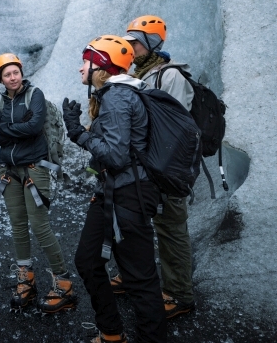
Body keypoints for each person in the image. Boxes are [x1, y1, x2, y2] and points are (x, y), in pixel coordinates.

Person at [63, 36, 166, 343]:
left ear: (102, 65)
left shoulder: (118, 97)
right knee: (88, 260)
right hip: (113, 191)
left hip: (130, 194)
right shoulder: (114, 94)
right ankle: (111, 332)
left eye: (86, 61)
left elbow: (117, 156)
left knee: (139, 278)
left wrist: (78, 133)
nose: (81, 67)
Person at [115, 15, 195, 319]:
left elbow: (170, 128)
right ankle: (136, 276)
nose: (129, 47)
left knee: (171, 230)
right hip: (145, 169)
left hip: (166, 171)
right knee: (139, 226)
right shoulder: (143, 75)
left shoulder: (169, 77)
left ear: (151, 44)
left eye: (135, 42)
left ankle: (179, 294)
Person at [0, 54, 76, 314]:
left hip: (35, 169)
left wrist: (7, 128)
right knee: (17, 225)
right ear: (0, 79)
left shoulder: (35, 94)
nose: (13, 77)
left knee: (39, 225)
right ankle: (25, 278)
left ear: (21, 73)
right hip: (9, 170)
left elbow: (35, 126)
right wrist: (17, 127)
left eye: (15, 72)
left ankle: (63, 282)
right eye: (7, 74)